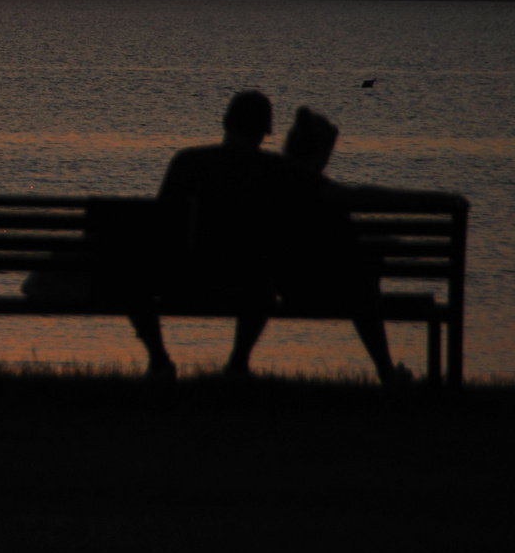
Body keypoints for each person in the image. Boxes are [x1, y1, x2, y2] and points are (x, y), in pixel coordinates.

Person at [134, 90, 320, 381]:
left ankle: (159, 361)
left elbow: (161, 225)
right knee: (264, 276)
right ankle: (238, 362)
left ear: (225, 122)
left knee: (132, 275)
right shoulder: (276, 170)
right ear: (266, 130)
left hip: (184, 282)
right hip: (249, 284)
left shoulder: (188, 162)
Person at [278, 107, 403, 386]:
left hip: (279, 284)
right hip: (322, 288)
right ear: (321, 153)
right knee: (365, 285)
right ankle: (386, 371)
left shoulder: (271, 186)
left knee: (362, 278)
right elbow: (348, 245)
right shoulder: (322, 193)